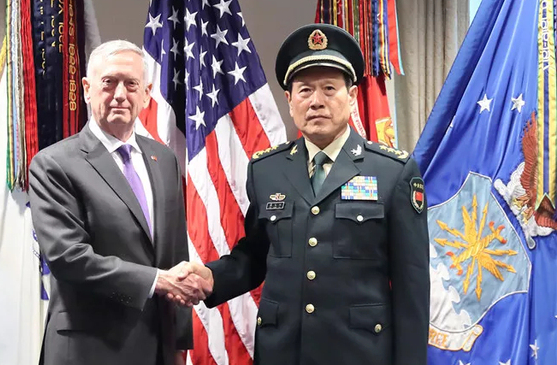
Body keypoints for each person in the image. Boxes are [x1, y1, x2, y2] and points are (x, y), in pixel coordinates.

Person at [177, 24, 430, 365]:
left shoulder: (393, 172)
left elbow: (411, 287)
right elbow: (255, 254)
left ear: (351, 95)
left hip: (360, 354)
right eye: (305, 90)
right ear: (289, 100)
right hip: (283, 353)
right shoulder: (266, 169)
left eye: (329, 89)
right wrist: (212, 278)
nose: (316, 102)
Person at [29, 40, 210, 365]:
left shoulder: (163, 159)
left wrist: (180, 342)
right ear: (87, 89)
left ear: (146, 93)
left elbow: (174, 254)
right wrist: (157, 281)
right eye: (108, 82)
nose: (120, 94)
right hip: (90, 350)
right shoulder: (53, 164)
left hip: (159, 348)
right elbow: (68, 258)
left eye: (131, 84)